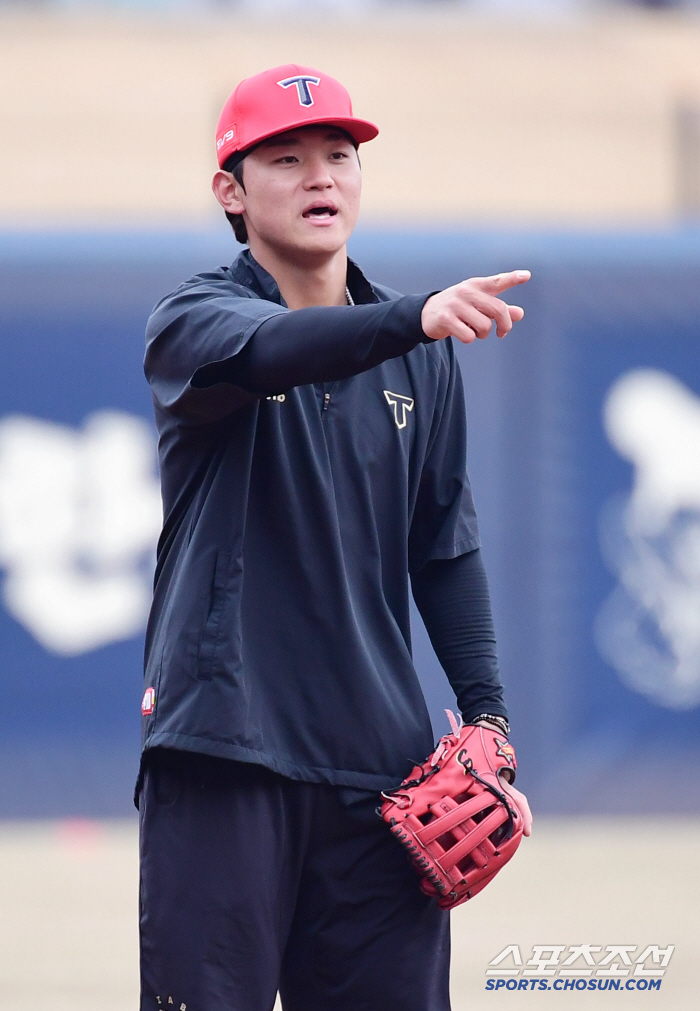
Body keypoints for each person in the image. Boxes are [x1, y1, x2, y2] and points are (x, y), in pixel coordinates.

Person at [138, 63, 531, 1011]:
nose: (321, 176)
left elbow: (444, 545)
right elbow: (276, 348)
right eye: (286, 157)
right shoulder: (194, 321)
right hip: (229, 749)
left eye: (339, 154)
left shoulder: (419, 356)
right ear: (230, 190)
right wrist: (411, 320)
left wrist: (489, 717)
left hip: (383, 773)